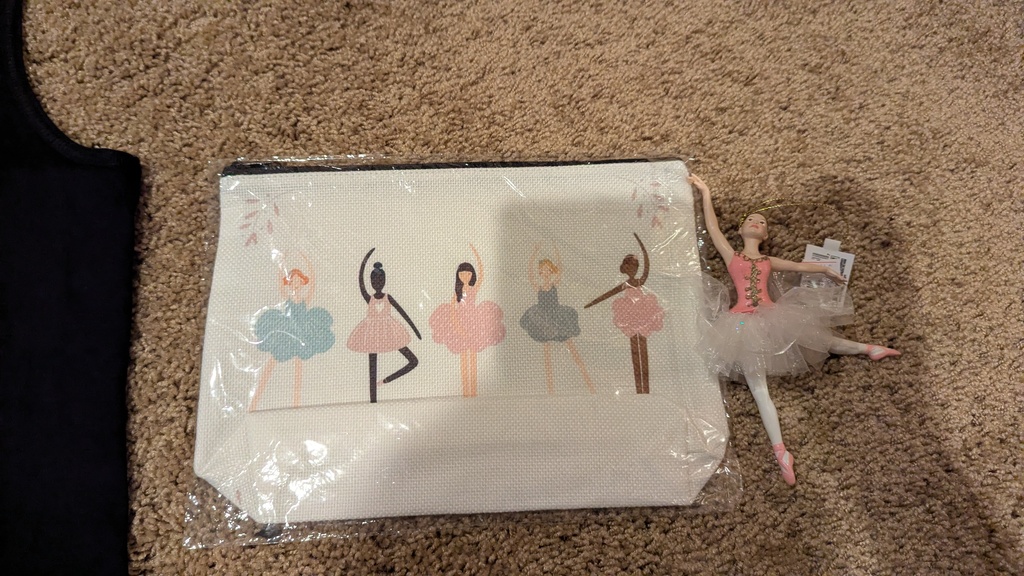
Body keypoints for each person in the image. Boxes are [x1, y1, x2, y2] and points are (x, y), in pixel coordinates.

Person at [690, 174, 899, 485]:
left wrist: (826, 268)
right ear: (741, 229)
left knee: (821, 339)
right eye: (751, 220)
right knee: (759, 389)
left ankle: (869, 348)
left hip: (773, 314)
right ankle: (781, 452)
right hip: (741, 322)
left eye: (762, 222)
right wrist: (705, 192)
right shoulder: (732, 255)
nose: (756, 223)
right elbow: (713, 229)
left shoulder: (768, 260)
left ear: (765, 233)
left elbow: (799, 266)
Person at [250, 254, 335, 411]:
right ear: (289, 283)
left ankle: (296, 403)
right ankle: (255, 401)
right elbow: (280, 283)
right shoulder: (287, 297)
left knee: (298, 365)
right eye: (293, 281)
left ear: (302, 282)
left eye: (298, 281)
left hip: (303, 331)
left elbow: (313, 284)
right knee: (274, 359)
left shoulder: (304, 299)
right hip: (287, 330)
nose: (295, 284)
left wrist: (308, 263)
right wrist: (282, 263)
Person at [584, 233, 664, 394]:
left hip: (643, 311)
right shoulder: (627, 283)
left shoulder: (640, 281)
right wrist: (592, 302)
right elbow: (608, 294)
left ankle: (645, 387)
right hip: (630, 313)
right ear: (626, 269)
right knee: (635, 348)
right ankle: (639, 387)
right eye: (630, 267)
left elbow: (647, 267)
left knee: (642, 348)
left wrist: (642, 246)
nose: (633, 269)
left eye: (635, 266)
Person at [429, 244, 506, 397]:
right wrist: (457, 326)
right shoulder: (456, 293)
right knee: (464, 355)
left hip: (474, 322)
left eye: (468, 274)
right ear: (458, 275)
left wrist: (476, 254)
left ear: (472, 275)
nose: (465, 276)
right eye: (462, 274)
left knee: (473, 355)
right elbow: (452, 311)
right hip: (460, 322)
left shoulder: (473, 289)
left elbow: (481, 274)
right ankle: (466, 390)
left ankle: (473, 390)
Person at [346, 248, 421, 403]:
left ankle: (386, 380)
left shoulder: (388, 297)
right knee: (372, 369)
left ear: (384, 281)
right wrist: (364, 262)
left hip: (389, 332)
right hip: (371, 333)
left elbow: (403, 313)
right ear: (371, 282)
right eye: (374, 281)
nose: (377, 284)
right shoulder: (370, 298)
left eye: (380, 281)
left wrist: (415, 329)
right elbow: (361, 284)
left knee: (413, 361)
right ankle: (373, 400)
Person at [520, 245, 594, 394]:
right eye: (543, 270)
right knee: (547, 353)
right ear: (540, 272)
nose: (546, 272)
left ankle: (588, 383)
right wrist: (534, 254)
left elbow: (560, 268)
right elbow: (530, 275)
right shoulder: (538, 287)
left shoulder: (554, 284)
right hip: (543, 320)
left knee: (571, 347)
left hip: (558, 316)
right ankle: (551, 389)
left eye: (548, 269)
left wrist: (556, 250)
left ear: (551, 270)